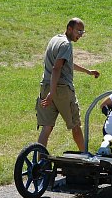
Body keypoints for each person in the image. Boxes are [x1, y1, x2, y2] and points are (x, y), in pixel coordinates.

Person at [36, 18, 100, 152]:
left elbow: (66, 63)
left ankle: (40, 161)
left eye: (82, 32)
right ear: (69, 29)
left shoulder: (55, 39)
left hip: (45, 86)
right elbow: (57, 68)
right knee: (75, 125)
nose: (80, 35)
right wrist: (52, 93)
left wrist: (87, 71)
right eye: (79, 31)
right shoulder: (66, 45)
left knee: (46, 127)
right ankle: (85, 155)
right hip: (61, 90)